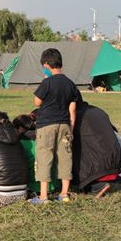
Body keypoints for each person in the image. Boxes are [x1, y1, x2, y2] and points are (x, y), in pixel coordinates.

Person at [31, 48, 80, 204]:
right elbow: (72, 110)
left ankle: (44, 196)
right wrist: (71, 130)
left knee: (44, 157)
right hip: (64, 125)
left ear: (46, 65)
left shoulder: (47, 82)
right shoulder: (71, 84)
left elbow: (37, 102)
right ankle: (64, 194)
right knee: (65, 158)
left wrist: (45, 81)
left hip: (46, 125)